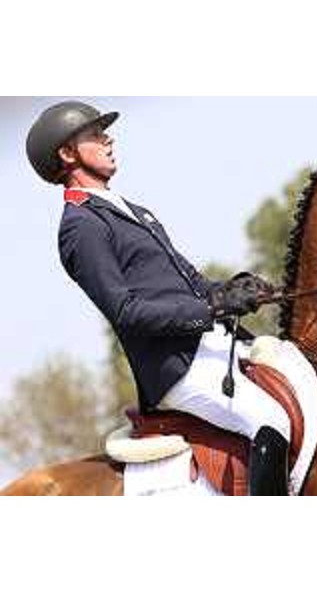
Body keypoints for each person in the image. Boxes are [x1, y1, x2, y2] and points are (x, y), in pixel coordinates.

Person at [26, 101, 291, 495]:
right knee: (271, 420)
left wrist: (235, 289)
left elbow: (192, 282)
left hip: (208, 346)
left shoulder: (134, 211)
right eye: (95, 135)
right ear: (67, 154)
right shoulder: (81, 227)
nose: (108, 138)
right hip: (175, 369)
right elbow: (127, 312)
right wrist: (212, 308)